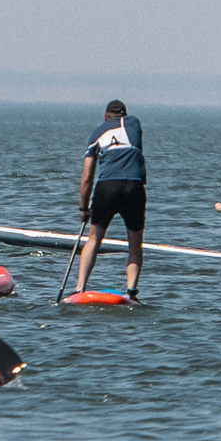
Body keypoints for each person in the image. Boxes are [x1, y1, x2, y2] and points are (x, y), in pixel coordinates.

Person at [71, 101, 147, 300]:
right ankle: (131, 292)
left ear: (105, 115)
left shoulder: (96, 134)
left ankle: (80, 288)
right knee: (135, 243)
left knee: (94, 238)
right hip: (134, 186)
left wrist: (83, 208)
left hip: (107, 187)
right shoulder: (134, 124)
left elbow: (87, 176)